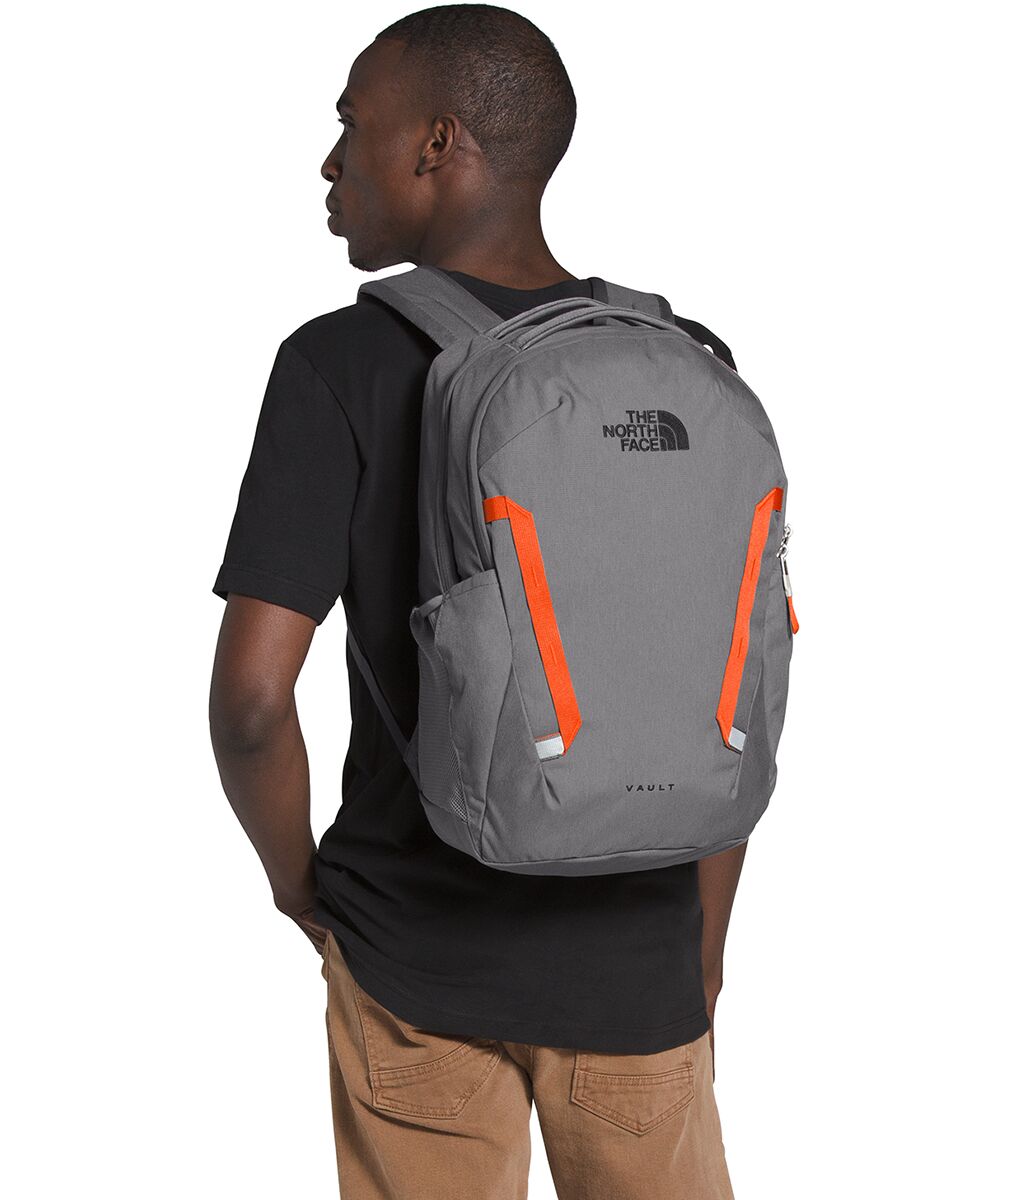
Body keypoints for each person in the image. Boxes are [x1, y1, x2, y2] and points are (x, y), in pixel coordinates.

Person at [209, 7, 746, 1197]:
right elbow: (719, 677)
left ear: (437, 144)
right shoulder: (685, 361)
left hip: (417, 956)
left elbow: (251, 699)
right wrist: (700, 950)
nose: (331, 161)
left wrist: (300, 885)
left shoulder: (336, 365)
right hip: (640, 965)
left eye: (351, 123)